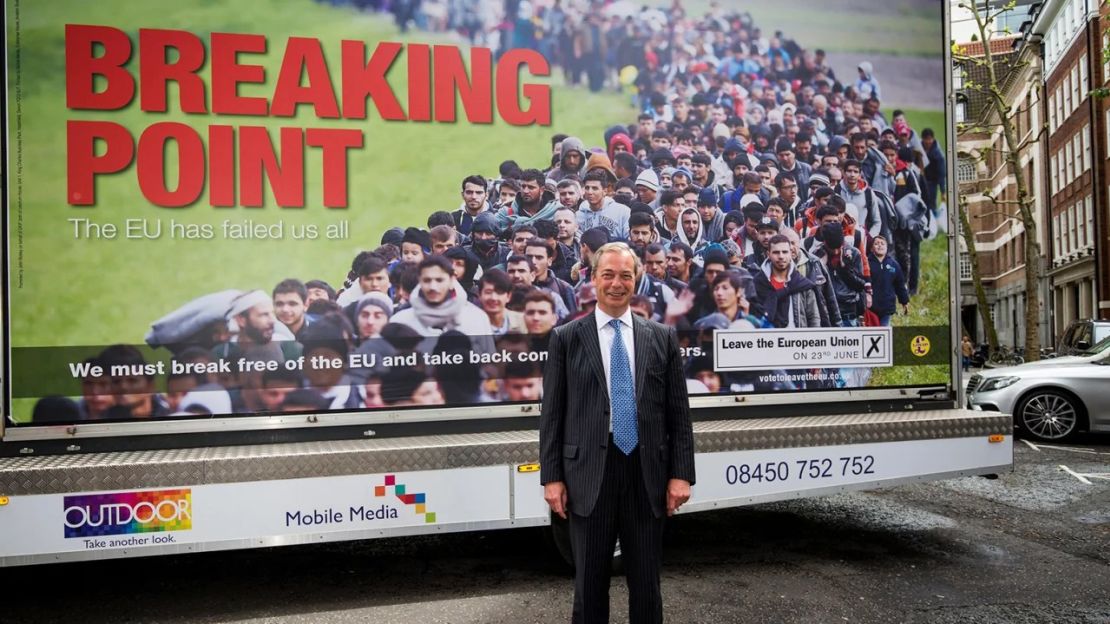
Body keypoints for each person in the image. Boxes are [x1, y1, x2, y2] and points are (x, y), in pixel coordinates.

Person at [540, 241, 695, 624]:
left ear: (636, 280)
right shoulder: (566, 338)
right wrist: (552, 478)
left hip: (647, 476)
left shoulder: (661, 337)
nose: (616, 283)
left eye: (625, 275)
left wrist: (681, 474)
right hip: (588, 476)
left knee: (646, 586)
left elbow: (678, 412)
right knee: (589, 586)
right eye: (607, 274)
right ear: (592, 279)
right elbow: (552, 415)